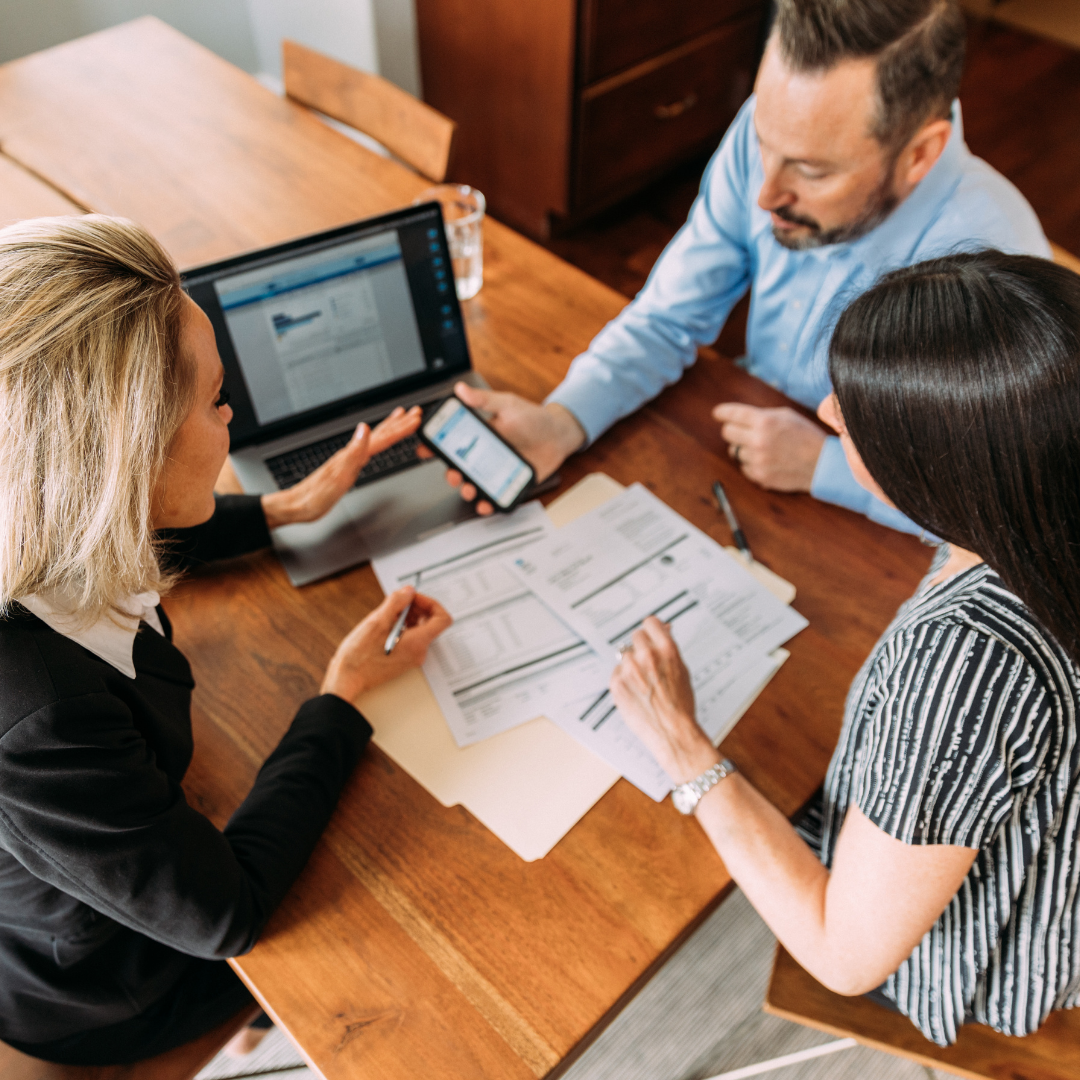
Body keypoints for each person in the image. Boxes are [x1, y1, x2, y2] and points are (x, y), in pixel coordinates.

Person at [0, 215, 452, 1065]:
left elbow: (121, 532)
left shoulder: (29, 512)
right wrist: (338, 699)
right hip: (114, 984)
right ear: (120, 460)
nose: (233, 414)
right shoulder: (38, 721)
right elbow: (226, 916)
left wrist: (282, 509)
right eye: (214, 400)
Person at [609, 249, 1080, 1046]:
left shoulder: (966, 673)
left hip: (988, 962)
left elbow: (844, 952)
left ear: (942, 475)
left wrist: (685, 750)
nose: (826, 412)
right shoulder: (1037, 510)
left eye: (856, 413)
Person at [432, 0, 1050, 533]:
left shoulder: (1000, 263)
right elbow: (668, 317)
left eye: (812, 170)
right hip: (741, 469)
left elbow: (1007, 508)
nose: (764, 194)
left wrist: (824, 467)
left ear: (920, 154)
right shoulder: (774, 139)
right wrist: (563, 420)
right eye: (763, 142)